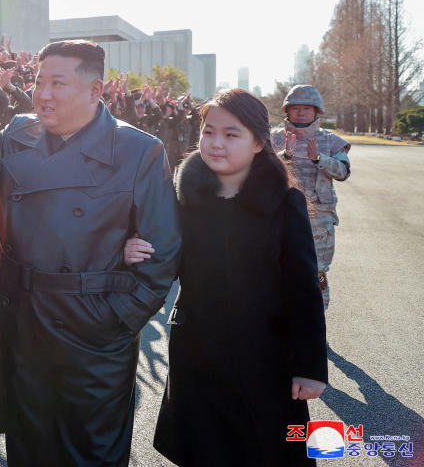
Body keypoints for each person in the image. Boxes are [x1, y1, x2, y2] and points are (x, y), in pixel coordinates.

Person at [0, 41, 182, 466]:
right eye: (38, 81)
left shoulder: (139, 150)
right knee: (30, 447)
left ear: (94, 90)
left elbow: (163, 252)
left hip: (94, 333)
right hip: (24, 323)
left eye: (57, 83)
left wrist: (116, 321)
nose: (43, 93)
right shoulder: (20, 132)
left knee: (91, 451)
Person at [124, 88, 328, 466]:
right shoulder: (182, 197)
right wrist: (133, 249)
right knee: (203, 450)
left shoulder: (284, 202)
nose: (216, 143)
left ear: (257, 143)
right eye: (208, 132)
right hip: (197, 352)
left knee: (265, 449)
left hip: (265, 356)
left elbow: (304, 291)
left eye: (231, 134)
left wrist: (311, 368)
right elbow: (164, 258)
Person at [270, 85, 350, 309]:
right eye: (295, 108)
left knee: (317, 271)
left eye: (307, 108)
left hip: (319, 217)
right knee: (280, 269)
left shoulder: (331, 141)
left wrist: (319, 159)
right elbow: (261, 170)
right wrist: (283, 156)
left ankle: (317, 323)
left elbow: (343, 172)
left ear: (316, 112)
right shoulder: (274, 138)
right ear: (287, 111)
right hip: (281, 215)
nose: (301, 113)